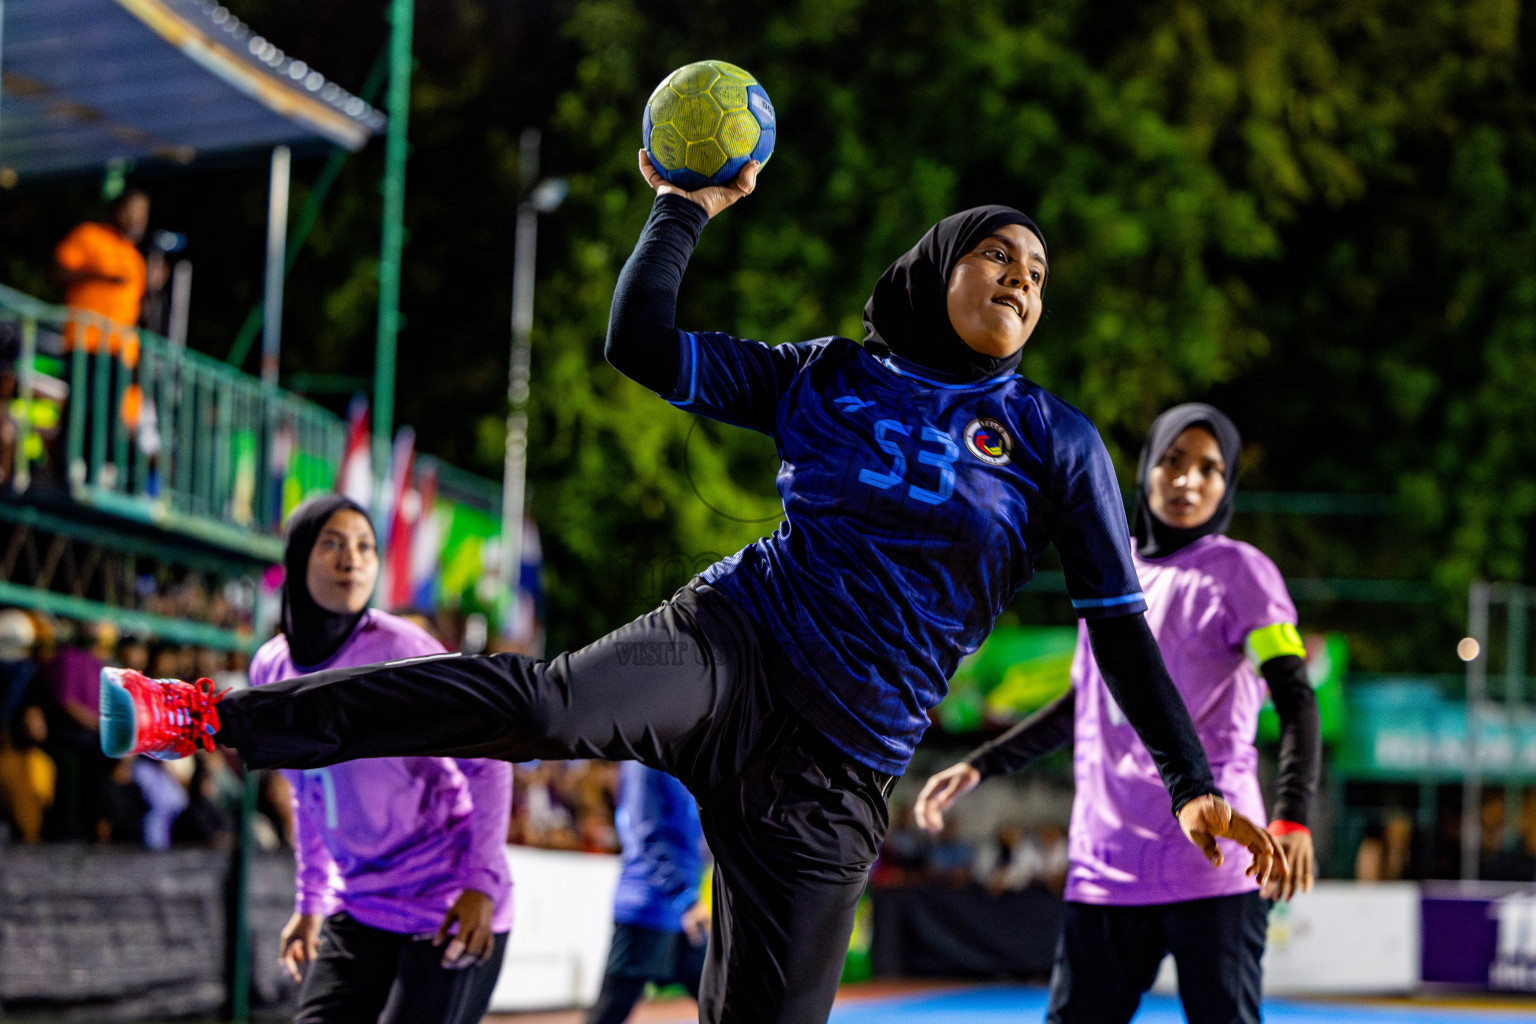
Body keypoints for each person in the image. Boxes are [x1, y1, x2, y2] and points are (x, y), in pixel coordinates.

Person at [101, 158, 1283, 1024]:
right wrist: (680, 210)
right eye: (998, 254)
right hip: (731, 647)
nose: (1022, 277)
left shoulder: (1055, 443)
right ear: (938, 268)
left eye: (1037, 272)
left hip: (841, 762)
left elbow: (1119, 631)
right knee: (539, 706)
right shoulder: (829, 374)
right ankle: (206, 715)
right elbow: (642, 344)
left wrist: (1191, 782)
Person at [915, 403, 1322, 1024]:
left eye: (1209, 468)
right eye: (1173, 460)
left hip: (1214, 858)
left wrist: (1293, 817)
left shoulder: (1243, 574)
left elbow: (1295, 696)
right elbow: (1091, 697)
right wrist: (982, 764)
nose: (1188, 479)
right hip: (1108, 863)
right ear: (1145, 470)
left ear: (1228, 484)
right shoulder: (1113, 567)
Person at [249, 495, 515, 1024]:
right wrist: (310, 903)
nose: (353, 558)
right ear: (298, 556)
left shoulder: (403, 649)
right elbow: (307, 792)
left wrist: (479, 883)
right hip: (361, 904)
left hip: (444, 902)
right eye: (333, 543)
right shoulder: (271, 667)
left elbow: (489, 756)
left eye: (366, 546)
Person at [586, 762, 711, 1024]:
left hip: (681, 913)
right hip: (646, 907)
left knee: (719, 998)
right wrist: (685, 898)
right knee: (610, 1011)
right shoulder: (644, 763)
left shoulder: (684, 758)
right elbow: (643, 833)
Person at [54, 189, 150, 370]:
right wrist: (100, 276)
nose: (136, 218)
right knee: (83, 398)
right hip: (85, 342)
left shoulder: (136, 258)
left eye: (142, 212)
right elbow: (57, 272)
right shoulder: (89, 235)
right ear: (117, 210)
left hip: (122, 351)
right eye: (131, 210)